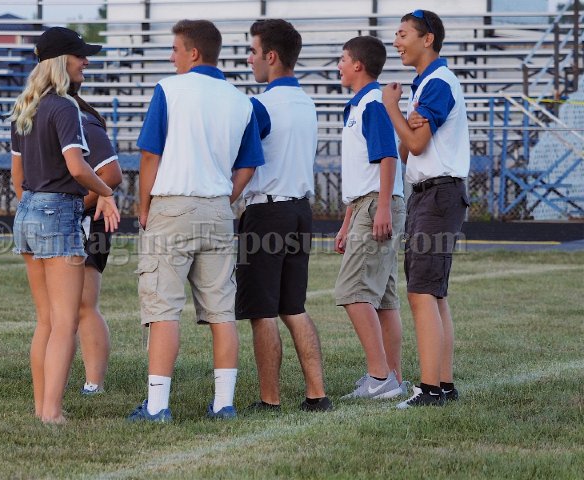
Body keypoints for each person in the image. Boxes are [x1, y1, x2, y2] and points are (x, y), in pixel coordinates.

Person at [128, 19, 265, 422]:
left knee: (163, 308)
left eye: (175, 49)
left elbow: (150, 154)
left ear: (193, 52)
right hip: (218, 208)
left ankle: (157, 406)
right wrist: (225, 197)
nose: (172, 57)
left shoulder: (169, 89)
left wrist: (143, 205)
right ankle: (224, 403)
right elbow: (249, 165)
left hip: (173, 204)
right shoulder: (241, 100)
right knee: (222, 310)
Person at [9, 26, 121, 424]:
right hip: (58, 213)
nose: (85, 62)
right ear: (61, 61)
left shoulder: (25, 107)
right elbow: (77, 167)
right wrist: (105, 192)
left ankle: (43, 408)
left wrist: (36, 206)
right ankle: (52, 412)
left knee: (45, 321)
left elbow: (16, 179)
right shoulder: (65, 107)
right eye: (79, 55)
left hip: (27, 212)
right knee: (64, 322)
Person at [236, 19, 331, 413]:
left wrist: (227, 197)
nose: (250, 59)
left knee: (261, 311)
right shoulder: (307, 102)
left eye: (253, 51)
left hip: (267, 210)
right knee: (294, 307)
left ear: (271, 56)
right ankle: (316, 394)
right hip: (299, 209)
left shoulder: (260, 105)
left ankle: (269, 399)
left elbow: (242, 161)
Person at [381, 10, 470, 408]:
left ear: (427, 38)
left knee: (421, 292)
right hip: (431, 194)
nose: (396, 42)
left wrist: (391, 108)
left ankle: (431, 389)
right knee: (433, 294)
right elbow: (408, 147)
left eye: (403, 34)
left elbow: (416, 146)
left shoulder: (437, 82)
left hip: (437, 193)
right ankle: (443, 385)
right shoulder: (427, 84)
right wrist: (406, 119)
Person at [333, 36, 408, 401]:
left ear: (358, 65)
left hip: (377, 203)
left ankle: (379, 377)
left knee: (352, 292)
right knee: (383, 298)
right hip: (365, 203)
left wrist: (382, 207)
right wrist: (347, 222)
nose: (339, 66)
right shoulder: (358, 105)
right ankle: (392, 377)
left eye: (342, 59)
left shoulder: (372, 103)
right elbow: (361, 172)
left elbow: (388, 157)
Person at [68, 83, 123, 396]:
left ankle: (94, 383)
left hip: (90, 221)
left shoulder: (84, 121)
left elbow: (111, 174)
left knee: (84, 304)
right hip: (69, 220)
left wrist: (73, 206)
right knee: (64, 306)